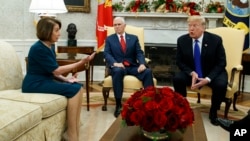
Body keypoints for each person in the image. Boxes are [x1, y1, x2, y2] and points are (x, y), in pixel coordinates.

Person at [22, 17, 96, 141]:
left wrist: (67, 80)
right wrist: (81, 62)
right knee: (74, 90)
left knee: (78, 87)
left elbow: (53, 71)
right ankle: (71, 134)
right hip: (34, 84)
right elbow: (56, 70)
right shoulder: (38, 48)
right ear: (47, 31)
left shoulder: (50, 46)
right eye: (56, 30)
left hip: (45, 80)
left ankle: (74, 129)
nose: (59, 33)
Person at [173, 15, 228, 126]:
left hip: (212, 72)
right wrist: (191, 72)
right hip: (192, 72)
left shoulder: (215, 40)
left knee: (221, 84)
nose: (191, 29)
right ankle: (181, 108)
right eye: (189, 26)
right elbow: (179, 62)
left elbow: (221, 63)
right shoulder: (182, 40)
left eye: (195, 26)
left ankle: (213, 111)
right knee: (178, 79)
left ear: (203, 27)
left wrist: (208, 79)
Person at [104, 17, 154, 118]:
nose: (117, 27)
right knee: (117, 71)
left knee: (148, 72)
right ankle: (118, 104)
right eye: (115, 25)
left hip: (132, 66)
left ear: (124, 26)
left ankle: (149, 104)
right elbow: (107, 54)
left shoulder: (133, 38)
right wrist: (115, 63)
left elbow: (139, 52)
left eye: (119, 24)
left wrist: (142, 64)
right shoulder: (109, 39)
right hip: (118, 67)